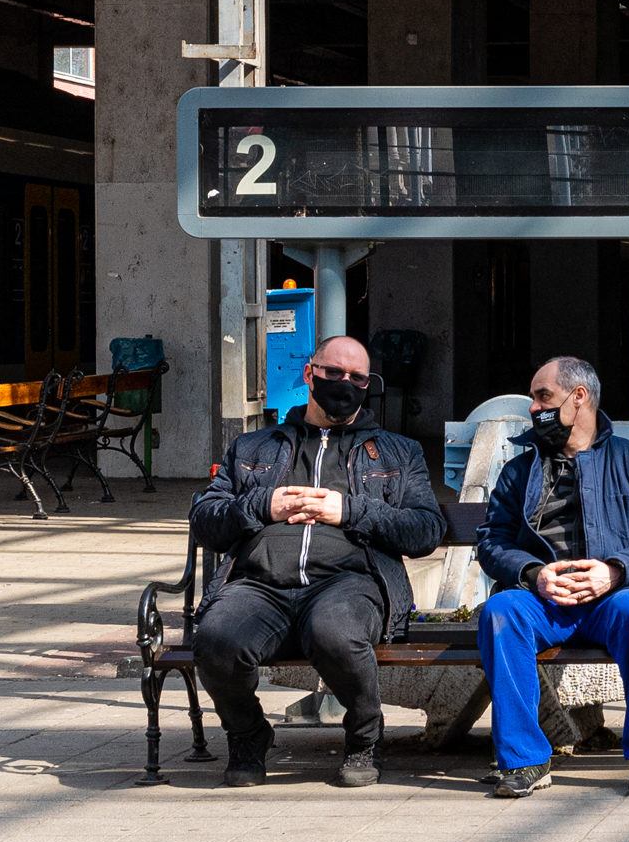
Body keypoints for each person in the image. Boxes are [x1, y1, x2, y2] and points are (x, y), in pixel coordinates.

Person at [187, 335, 449, 788]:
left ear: (369, 385)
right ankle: (248, 735)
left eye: (357, 378)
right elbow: (205, 521)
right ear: (310, 375)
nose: (344, 384)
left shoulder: (397, 452)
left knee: (335, 633)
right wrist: (262, 505)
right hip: (260, 585)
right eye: (334, 373)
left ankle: (365, 736)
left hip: (349, 583)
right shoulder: (253, 448)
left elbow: (425, 530)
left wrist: (348, 510)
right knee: (216, 639)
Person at [473, 355, 629, 797]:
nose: (534, 408)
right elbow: (492, 541)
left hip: (615, 596)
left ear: (579, 397)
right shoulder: (520, 471)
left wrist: (614, 571)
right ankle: (525, 760)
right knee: (501, 610)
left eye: (543, 397)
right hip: (543, 601)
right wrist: (533, 574)